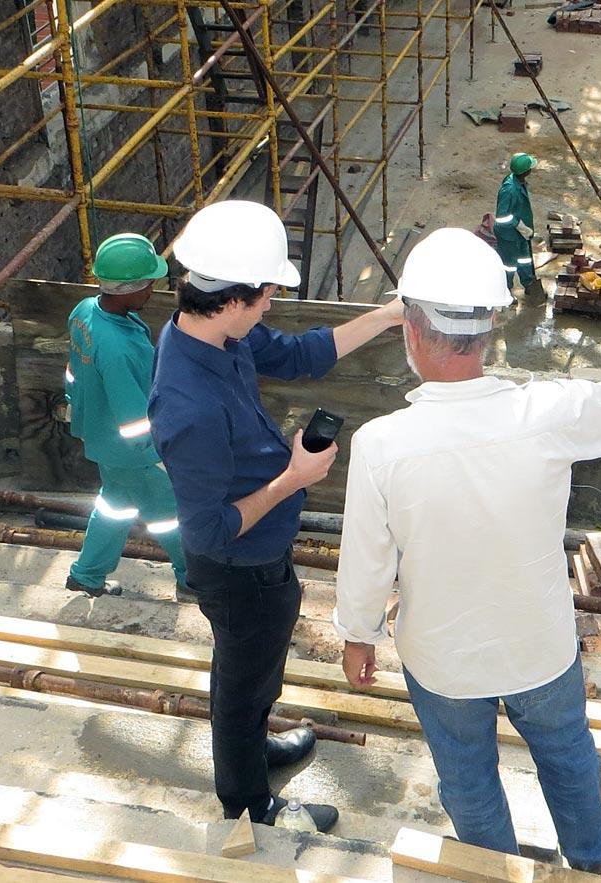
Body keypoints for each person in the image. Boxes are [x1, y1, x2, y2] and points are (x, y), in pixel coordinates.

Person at [330, 227, 601, 875]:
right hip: (539, 646)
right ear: (491, 329)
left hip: (444, 659)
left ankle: (497, 869)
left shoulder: (382, 444)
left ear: (411, 333)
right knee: (566, 752)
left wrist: (356, 636)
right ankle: (592, 853)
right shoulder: (545, 414)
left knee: (468, 781)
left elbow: (367, 560)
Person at [148, 199, 406, 832]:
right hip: (237, 568)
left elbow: (296, 355)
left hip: (263, 557)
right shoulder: (190, 407)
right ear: (232, 298)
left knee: (256, 673)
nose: (271, 306)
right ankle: (248, 802)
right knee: (240, 686)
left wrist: (390, 316)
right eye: (266, 296)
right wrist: (292, 479)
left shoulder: (214, 329)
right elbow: (205, 530)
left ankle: (256, 748)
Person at [61, 233, 187, 598]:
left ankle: (87, 574)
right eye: (148, 284)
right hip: (137, 453)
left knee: (115, 506)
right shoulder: (118, 350)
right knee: (174, 517)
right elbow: (134, 419)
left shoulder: (84, 311)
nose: (153, 290)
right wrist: (159, 456)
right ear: (127, 289)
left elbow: (74, 372)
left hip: (103, 440)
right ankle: (195, 580)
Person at [493, 152, 542, 300]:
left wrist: (524, 229)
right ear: (525, 171)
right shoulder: (509, 190)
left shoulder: (518, 182)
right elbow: (502, 217)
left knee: (524, 259)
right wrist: (519, 225)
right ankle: (505, 292)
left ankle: (529, 284)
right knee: (508, 265)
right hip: (508, 236)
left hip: (520, 235)